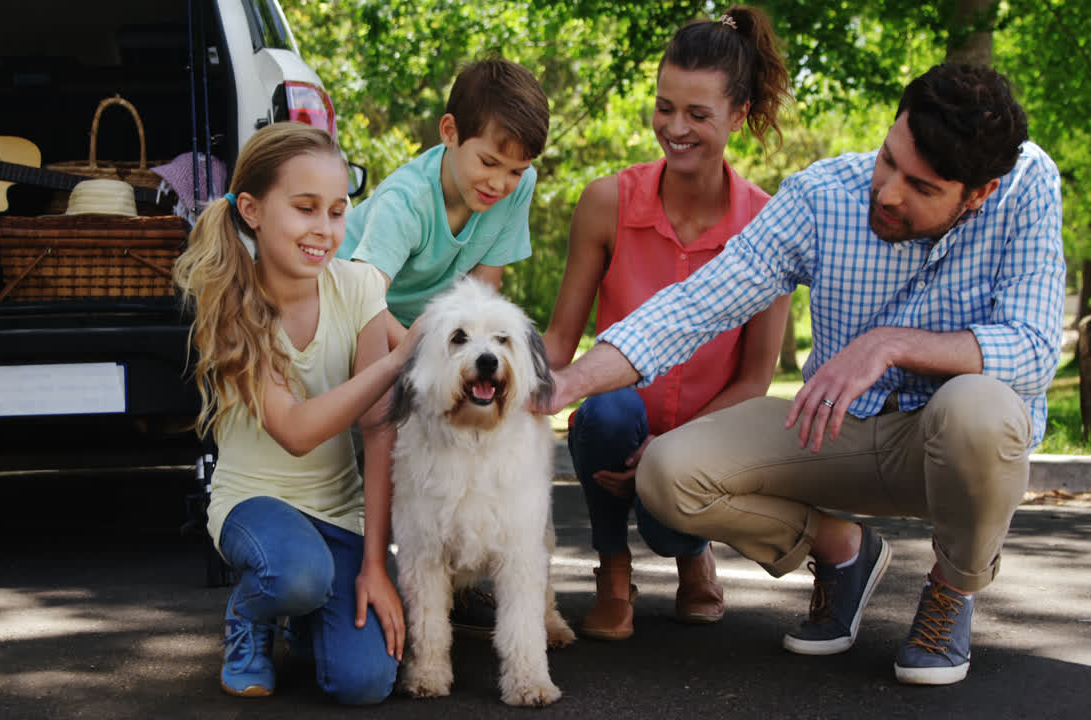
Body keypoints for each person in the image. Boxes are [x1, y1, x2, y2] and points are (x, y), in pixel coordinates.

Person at [540, 63, 1063, 685]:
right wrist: (568, 384)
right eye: (887, 160)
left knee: (983, 407)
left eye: (920, 187)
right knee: (667, 472)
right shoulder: (822, 196)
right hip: (832, 430)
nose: (887, 192)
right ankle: (843, 550)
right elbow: (695, 305)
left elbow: (1035, 348)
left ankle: (952, 588)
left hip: (950, 447)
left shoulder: (1026, 185)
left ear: (978, 193)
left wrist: (890, 345)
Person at [543, 6, 793, 641]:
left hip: (700, 447)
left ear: (737, 115)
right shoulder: (606, 202)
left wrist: (672, 448)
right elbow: (560, 343)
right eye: (664, 108)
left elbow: (755, 380)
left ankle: (691, 556)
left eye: (697, 114)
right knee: (606, 411)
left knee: (670, 523)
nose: (674, 128)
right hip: (614, 426)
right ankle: (613, 570)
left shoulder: (770, 223)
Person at [172, 122, 420, 703]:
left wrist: (376, 563)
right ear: (252, 210)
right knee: (297, 575)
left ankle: (308, 615)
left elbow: (378, 430)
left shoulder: (358, 288)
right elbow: (296, 431)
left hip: (339, 513)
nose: (324, 230)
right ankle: (251, 614)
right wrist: (395, 360)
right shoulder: (232, 304)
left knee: (366, 684)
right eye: (305, 208)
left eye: (337, 211)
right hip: (255, 505)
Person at [339, 55, 550, 633]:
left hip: (436, 337)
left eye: (516, 170)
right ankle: (370, 567)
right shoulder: (405, 202)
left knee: (461, 434)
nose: (500, 183)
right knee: (387, 432)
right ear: (450, 132)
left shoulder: (515, 188)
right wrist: (422, 360)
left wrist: (469, 355)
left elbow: (484, 287)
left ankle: (459, 572)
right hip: (362, 323)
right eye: (489, 163)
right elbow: (361, 302)